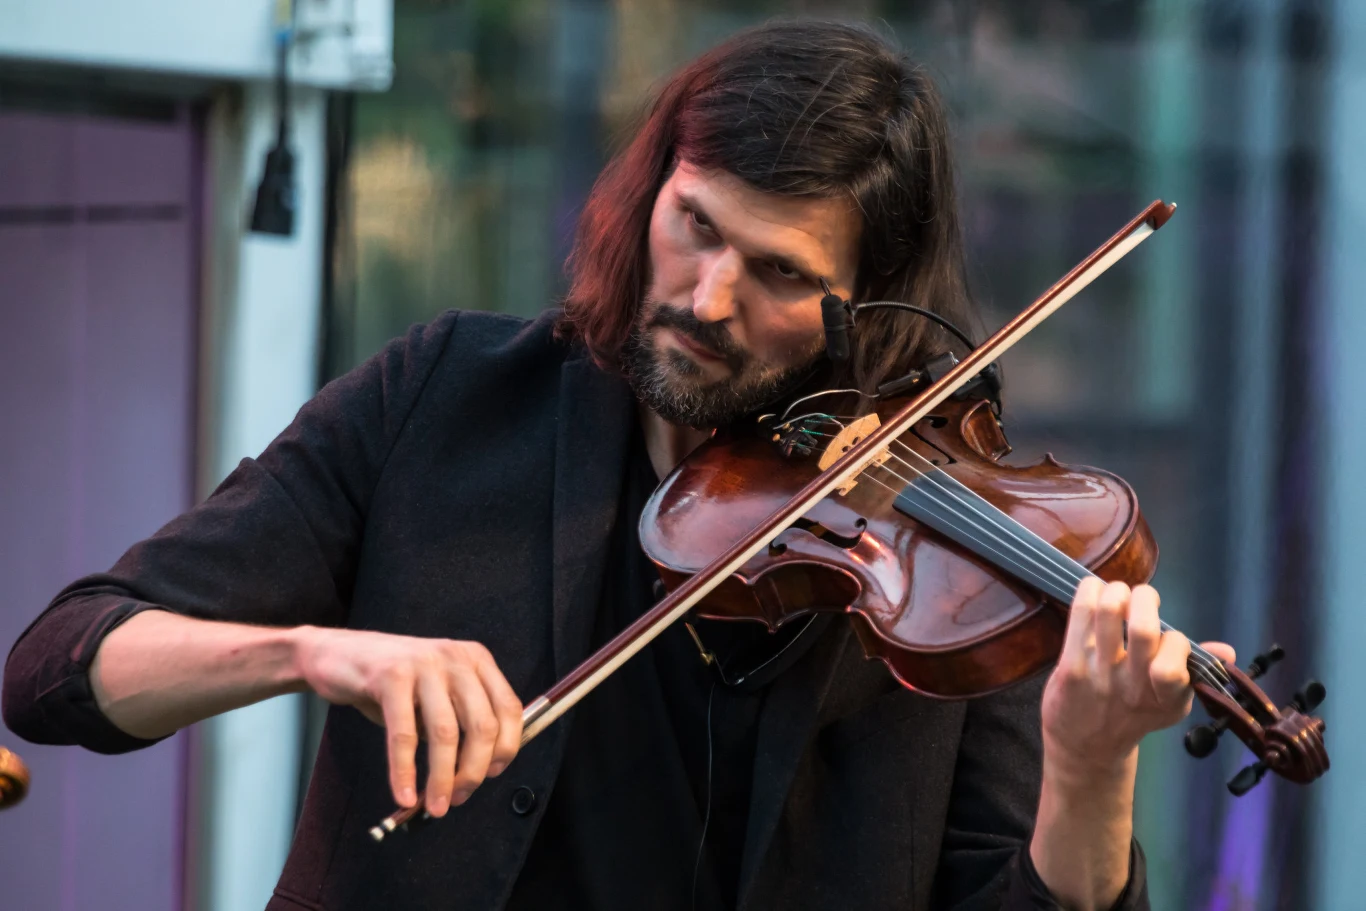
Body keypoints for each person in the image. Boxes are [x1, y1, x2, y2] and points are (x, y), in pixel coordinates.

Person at [3, 19, 1232, 911]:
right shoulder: (443, 395)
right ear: (651, 189)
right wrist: (314, 651)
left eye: (781, 273)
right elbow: (60, 665)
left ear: (868, 308)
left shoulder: (957, 566)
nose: (706, 297)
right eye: (695, 224)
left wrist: (1091, 765)